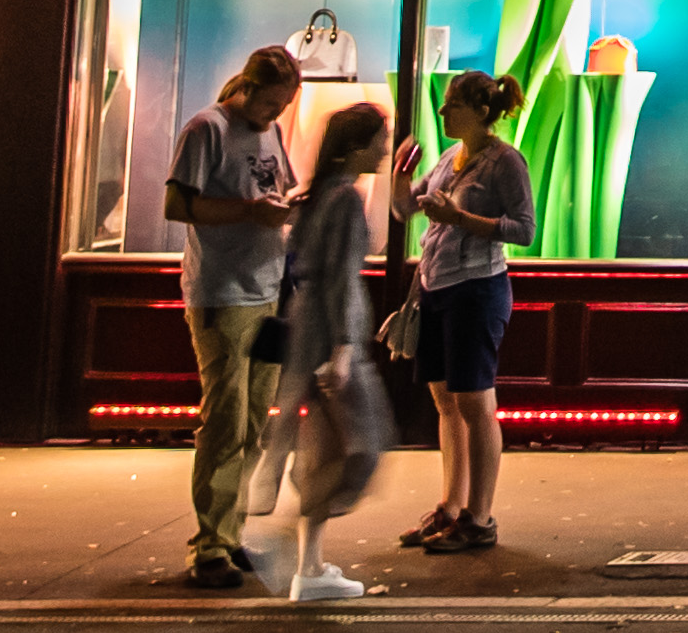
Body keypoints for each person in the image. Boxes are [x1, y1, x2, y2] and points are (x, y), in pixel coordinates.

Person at [167, 42, 304, 589]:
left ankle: (231, 531)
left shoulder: (268, 131)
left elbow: (279, 187)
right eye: (272, 103)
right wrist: (250, 212)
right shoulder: (207, 129)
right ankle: (208, 547)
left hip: (268, 290)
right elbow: (178, 206)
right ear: (247, 86)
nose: (277, 115)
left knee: (252, 421)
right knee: (223, 420)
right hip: (222, 292)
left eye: (284, 105)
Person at [251, 102, 393, 602]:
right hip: (331, 335)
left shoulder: (315, 197)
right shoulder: (346, 200)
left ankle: (307, 566)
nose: (385, 147)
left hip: (304, 328)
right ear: (357, 146)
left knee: (323, 450)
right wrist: (343, 349)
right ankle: (287, 549)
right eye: (381, 137)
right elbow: (339, 278)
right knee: (364, 448)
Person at [397, 69, 531, 551]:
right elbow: (404, 210)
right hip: (438, 286)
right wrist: (401, 178)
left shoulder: (505, 162)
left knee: (476, 403)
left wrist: (460, 218)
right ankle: (450, 506)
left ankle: (480, 516)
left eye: (452, 103)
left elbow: (523, 229)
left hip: (477, 288)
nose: (443, 110)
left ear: (480, 110)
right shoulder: (451, 157)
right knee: (446, 401)